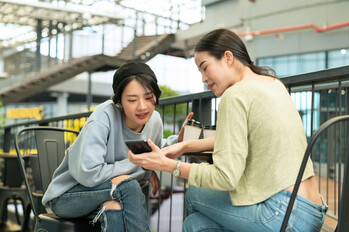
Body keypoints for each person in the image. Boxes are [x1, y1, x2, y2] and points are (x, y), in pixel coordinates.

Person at [128, 29, 328, 232]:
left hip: (283, 216)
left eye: (205, 68)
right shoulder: (273, 84)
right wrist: (185, 145)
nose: (203, 79)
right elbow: (240, 138)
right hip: (311, 210)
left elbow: (225, 177)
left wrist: (169, 165)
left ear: (228, 57)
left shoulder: (236, 94)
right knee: (195, 225)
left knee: (194, 194)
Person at [42, 61, 192, 231]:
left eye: (149, 98)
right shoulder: (103, 116)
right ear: (119, 101)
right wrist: (141, 166)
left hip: (110, 197)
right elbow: (88, 173)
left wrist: (178, 142)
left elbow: (152, 150)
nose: (142, 106)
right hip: (69, 197)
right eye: (132, 100)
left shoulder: (154, 120)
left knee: (115, 208)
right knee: (127, 185)